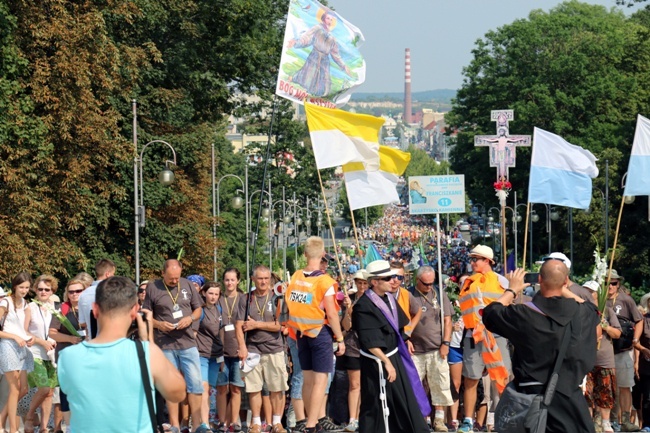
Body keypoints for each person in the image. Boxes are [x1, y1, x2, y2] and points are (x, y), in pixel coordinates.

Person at [482, 261, 600, 433]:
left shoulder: (524, 314)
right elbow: (592, 309)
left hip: (529, 401)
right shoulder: (583, 314)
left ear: (539, 280)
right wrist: (561, 284)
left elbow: (490, 313)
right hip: (569, 400)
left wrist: (512, 289)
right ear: (566, 281)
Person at [57, 276, 187, 432]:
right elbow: (177, 394)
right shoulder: (146, 353)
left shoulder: (68, 357)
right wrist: (149, 341)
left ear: (95, 309)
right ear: (134, 311)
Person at [351, 260, 430, 433]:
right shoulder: (363, 306)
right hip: (378, 361)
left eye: (394, 277)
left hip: (394, 355)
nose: (392, 281)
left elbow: (398, 328)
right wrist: (386, 362)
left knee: (404, 399)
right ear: (375, 282)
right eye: (387, 278)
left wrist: (404, 341)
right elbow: (369, 340)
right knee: (376, 403)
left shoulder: (390, 299)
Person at [285, 236, 346, 433]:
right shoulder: (324, 281)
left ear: (304, 254)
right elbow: (332, 313)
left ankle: (307, 421)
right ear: (322, 255)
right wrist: (340, 338)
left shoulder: (296, 277)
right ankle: (312, 425)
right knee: (321, 381)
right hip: (320, 333)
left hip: (301, 333)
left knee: (308, 380)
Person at [143, 259, 204, 433]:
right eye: (171, 278)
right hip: (165, 343)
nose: (175, 281)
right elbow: (146, 315)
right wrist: (159, 324)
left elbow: (198, 309)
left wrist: (190, 319)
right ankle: (175, 425)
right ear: (163, 273)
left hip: (187, 343)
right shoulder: (153, 287)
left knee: (196, 384)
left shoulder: (187, 284)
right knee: (171, 386)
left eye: (177, 278)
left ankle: (198, 424)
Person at [457, 245, 511, 433]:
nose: (472, 262)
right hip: (474, 335)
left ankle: (503, 417)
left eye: (476, 259)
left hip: (496, 335)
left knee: (501, 378)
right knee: (471, 378)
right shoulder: (468, 282)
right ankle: (468, 421)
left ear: (487, 261)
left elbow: (510, 305)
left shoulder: (501, 280)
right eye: (471, 259)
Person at [237, 265, 289, 433]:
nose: (263, 282)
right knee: (254, 388)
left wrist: (256, 324)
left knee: (276, 387)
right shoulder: (246, 299)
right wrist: (242, 347)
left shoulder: (277, 298)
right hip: (252, 349)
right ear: (253, 279)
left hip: (274, 348)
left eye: (266, 278)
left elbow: (280, 325)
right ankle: (257, 423)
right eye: (260, 278)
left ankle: (276, 423)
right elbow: (238, 326)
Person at [408, 266, 453, 432]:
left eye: (431, 283)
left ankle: (439, 420)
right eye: (425, 283)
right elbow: (403, 320)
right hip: (416, 349)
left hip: (436, 347)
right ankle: (422, 418)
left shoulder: (440, 294)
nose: (429, 286)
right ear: (417, 280)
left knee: (440, 384)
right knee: (415, 386)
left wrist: (446, 343)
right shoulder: (409, 294)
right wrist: (406, 339)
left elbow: (447, 320)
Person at [582, 280, 621, 433]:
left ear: (598, 294)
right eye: (585, 291)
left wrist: (604, 326)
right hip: (586, 358)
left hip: (604, 359)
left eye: (590, 292)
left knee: (605, 392)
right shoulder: (581, 310)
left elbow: (617, 333)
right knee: (587, 394)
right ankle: (588, 423)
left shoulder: (608, 310)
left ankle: (605, 422)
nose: (587, 295)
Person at [607, 269, 643, 432]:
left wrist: (635, 339)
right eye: (607, 283)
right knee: (607, 387)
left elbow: (639, 320)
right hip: (606, 351)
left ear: (618, 284)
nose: (610, 287)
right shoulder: (599, 300)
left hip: (623, 350)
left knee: (624, 386)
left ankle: (626, 420)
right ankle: (610, 420)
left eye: (613, 283)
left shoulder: (626, 300)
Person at [49, 278, 86, 433]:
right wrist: (70, 339)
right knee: (66, 392)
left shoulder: (91, 308)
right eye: (71, 292)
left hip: (87, 356)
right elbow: (51, 333)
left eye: (78, 291)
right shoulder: (62, 309)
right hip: (67, 356)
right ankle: (70, 426)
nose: (74, 294)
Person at [287, 9, 352, 97]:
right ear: (323, 19)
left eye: (331, 20)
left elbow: (335, 54)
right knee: (307, 77)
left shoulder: (332, 37)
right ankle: (294, 81)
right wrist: (296, 42)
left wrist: (343, 66)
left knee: (323, 84)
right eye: (328, 18)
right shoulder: (317, 28)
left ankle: (318, 98)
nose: (329, 21)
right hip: (315, 56)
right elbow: (307, 38)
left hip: (324, 61)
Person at [0, 272, 35, 433]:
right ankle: (13, 429)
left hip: (22, 347)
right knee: (14, 389)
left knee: (23, 389)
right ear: (14, 286)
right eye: (22, 287)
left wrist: (31, 338)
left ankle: (1, 420)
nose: (24, 290)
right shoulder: (6, 302)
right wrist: (14, 336)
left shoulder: (26, 304)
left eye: (27, 287)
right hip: (8, 345)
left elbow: (25, 330)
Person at [24, 275, 59, 433]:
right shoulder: (30, 307)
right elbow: (23, 330)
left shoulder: (55, 307)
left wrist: (55, 340)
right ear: (35, 289)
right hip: (35, 352)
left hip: (51, 354)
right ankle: (30, 417)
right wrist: (40, 341)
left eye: (47, 289)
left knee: (50, 392)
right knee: (44, 388)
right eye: (40, 289)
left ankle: (44, 427)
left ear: (52, 290)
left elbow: (56, 330)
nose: (43, 291)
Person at [216, 268, 247, 432]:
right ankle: (222, 422)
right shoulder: (218, 299)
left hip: (237, 350)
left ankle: (234, 422)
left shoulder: (243, 299)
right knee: (221, 387)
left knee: (235, 388)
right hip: (220, 351)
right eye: (227, 280)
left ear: (238, 282)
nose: (229, 283)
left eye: (232, 280)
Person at [339, 270, 368, 432]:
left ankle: (366, 417)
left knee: (368, 385)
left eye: (365, 283)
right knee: (354, 385)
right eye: (359, 283)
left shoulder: (373, 300)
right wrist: (348, 309)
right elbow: (347, 326)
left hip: (370, 348)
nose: (362, 286)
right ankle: (353, 419)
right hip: (353, 347)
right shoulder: (349, 299)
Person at [196, 282, 224, 433]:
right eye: (210, 293)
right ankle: (204, 423)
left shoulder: (219, 309)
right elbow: (193, 334)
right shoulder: (199, 311)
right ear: (204, 293)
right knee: (203, 388)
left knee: (211, 389)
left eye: (216, 294)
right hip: (201, 355)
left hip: (216, 356)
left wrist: (223, 355)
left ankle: (209, 421)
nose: (213, 297)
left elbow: (222, 332)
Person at [77, 258, 116, 339]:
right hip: (112, 341)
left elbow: (82, 322)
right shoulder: (114, 291)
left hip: (93, 341)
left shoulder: (83, 295)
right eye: (113, 274)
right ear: (108, 274)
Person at [388, 261, 421, 337]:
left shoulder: (406, 293)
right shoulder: (380, 292)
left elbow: (418, 311)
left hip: (402, 338)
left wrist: (409, 331)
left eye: (399, 277)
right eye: (393, 276)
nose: (396, 280)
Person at [633, 293, 650, 432]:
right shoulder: (643, 320)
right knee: (647, 398)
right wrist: (643, 349)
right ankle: (646, 425)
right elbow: (635, 341)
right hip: (647, 364)